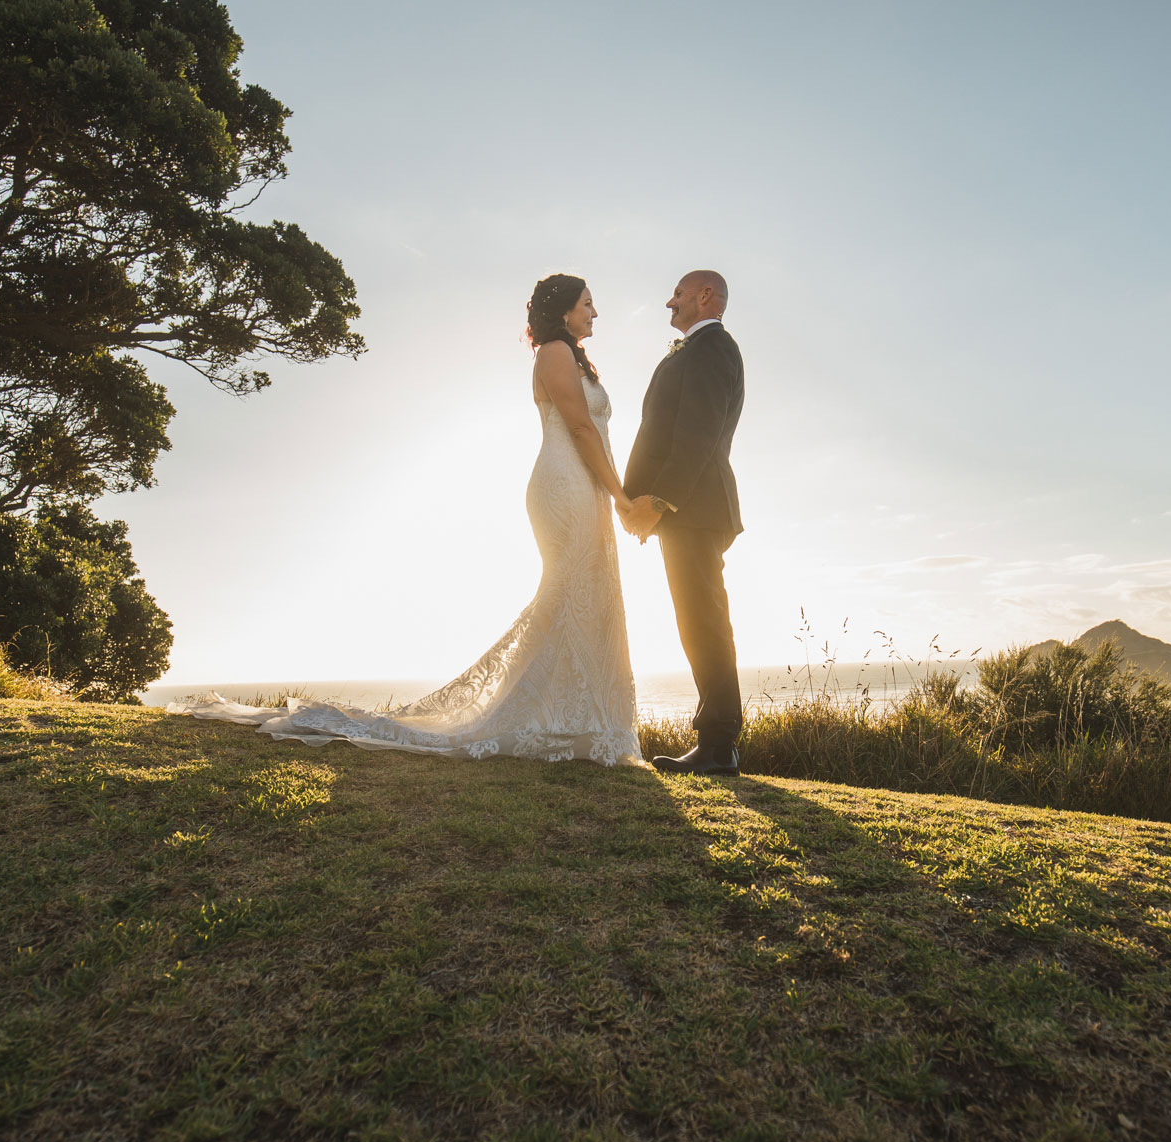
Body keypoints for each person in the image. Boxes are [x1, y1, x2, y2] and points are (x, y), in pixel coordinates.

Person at [172, 274, 643, 766]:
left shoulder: (574, 356)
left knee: (582, 595)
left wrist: (612, 494)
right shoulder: (553, 353)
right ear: (564, 311)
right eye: (588, 304)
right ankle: (538, 718)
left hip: (586, 486)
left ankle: (577, 721)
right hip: (565, 486)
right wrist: (623, 497)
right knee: (567, 592)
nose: (595, 313)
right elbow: (581, 427)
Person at [619, 270, 745, 775]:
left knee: (705, 620)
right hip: (685, 510)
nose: (669, 301)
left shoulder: (713, 348)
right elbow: (660, 429)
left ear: (704, 295)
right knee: (695, 620)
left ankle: (718, 744)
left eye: (677, 293)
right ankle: (716, 740)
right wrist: (633, 499)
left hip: (695, 507)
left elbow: (697, 433)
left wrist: (659, 501)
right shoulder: (691, 350)